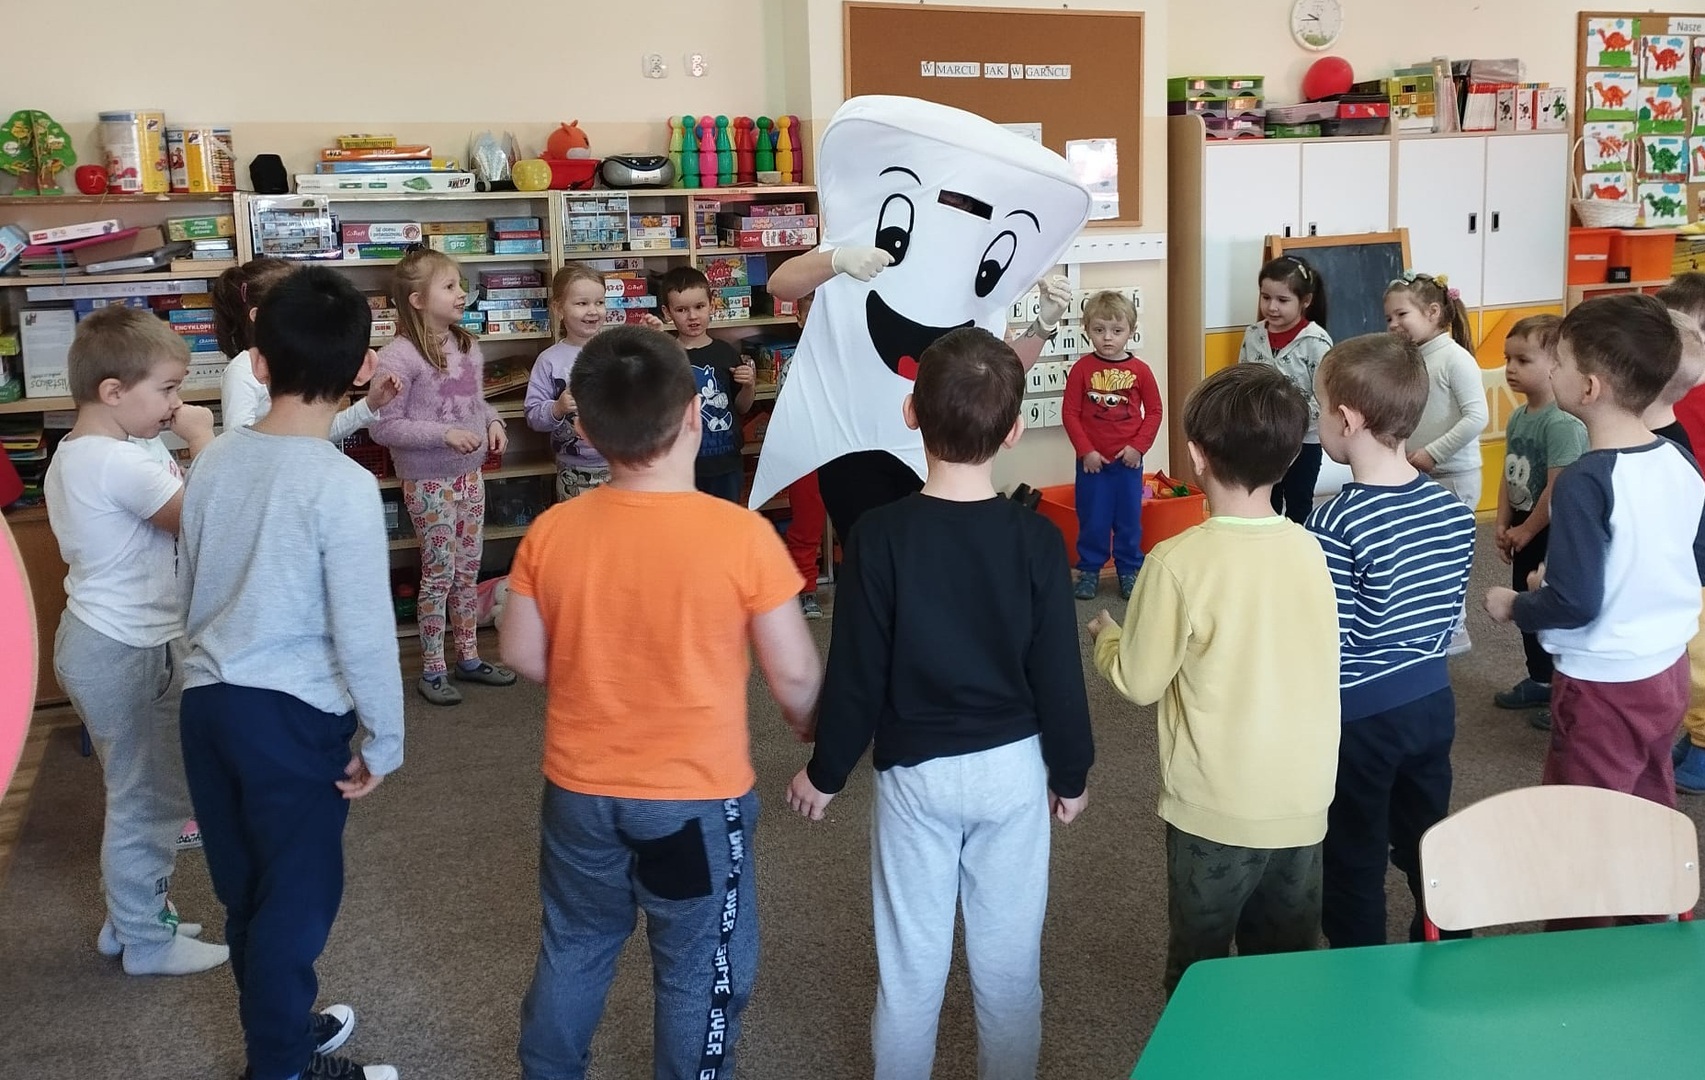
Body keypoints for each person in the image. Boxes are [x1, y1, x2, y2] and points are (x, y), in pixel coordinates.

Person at [499, 325, 822, 1080]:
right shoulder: (741, 534)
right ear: (692, 416)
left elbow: (520, 653)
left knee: (576, 942)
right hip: (692, 801)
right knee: (698, 963)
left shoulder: (551, 530)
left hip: (580, 793)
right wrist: (812, 728)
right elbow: (796, 676)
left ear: (585, 428)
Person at [786, 327, 1092, 1078]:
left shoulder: (877, 535)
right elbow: (1058, 671)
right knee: (1010, 971)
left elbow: (858, 669)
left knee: (910, 971)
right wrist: (1071, 771)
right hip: (1011, 772)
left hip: (914, 774)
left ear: (910, 414)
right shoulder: (1036, 540)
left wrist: (826, 772)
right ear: (1015, 430)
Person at [178, 266, 405, 1080]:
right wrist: (386, 737)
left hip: (207, 706)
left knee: (248, 892)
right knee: (297, 902)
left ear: (259, 362)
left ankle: (281, 1033)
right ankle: (279, 1066)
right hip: (290, 718)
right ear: (360, 370)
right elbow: (365, 628)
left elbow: (189, 582)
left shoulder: (212, 459)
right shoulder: (343, 484)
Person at [1087, 363, 1338, 994]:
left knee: (1199, 974)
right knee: (1284, 973)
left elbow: (1140, 681)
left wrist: (1107, 637)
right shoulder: (1311, 549)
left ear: (1196, 456)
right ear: (1289, 459)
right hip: (1303, 803)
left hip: (1214, 812)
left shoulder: (1176, 561)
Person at [42, 306, 228, 976]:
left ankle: (130, 922)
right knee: (147, 801)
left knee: (143, 792)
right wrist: (204, 439)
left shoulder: (107, 448)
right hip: (123, 648)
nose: (178, 404)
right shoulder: (112, 462)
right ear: (113, 392)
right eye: (168, 389)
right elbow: (207, 519)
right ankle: (147, 942)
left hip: (120, 641)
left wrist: (174, 434)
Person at [1486, 295, 1705, 819]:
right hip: (1668, 669)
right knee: (1648, 792)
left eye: (1559, 362)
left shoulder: (1585, 480)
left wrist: (1518, 604)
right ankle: (1652, 876)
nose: (1550, 370)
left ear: (1588, 388)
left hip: (1604, 682)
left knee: (1588, 814)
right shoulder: (1678, 456)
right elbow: (1692, 558)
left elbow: (1575, 604)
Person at [1306, 333, 1476, 947]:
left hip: (1362, 718)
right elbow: (1447, 620)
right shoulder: (1453, 509)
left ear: (1347, 419)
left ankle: (1361, 977)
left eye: (1319, 408)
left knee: (1352, 857)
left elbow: (1332, 639)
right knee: (1427, 839)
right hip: (1433, 704)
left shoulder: (1333, 520)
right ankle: (1446, 949)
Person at [765, 249, 1073, 542]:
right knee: (870, 552)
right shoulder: (863, 230)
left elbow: (999, 368)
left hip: (938, 449)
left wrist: (1043, 325)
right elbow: (779, 284)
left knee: (937, 553)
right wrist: (837, 258)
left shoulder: (977, 255)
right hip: (854, 445)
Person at [370, 249, 516, 706]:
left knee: (468, 570)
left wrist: (494, 421)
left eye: (460, 285)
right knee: (439, 573)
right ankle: (433, 668)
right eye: (449, 286)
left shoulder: (465, 344)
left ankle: (468, 657)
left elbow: (475, 400)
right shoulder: (397, 358)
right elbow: (383, 427)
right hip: (428, 482)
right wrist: (444, 434)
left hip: (470, 478)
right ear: (417, 300)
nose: (461, 294)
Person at [1491, 315, 1587, 731]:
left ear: (1555, 364)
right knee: (1526, 606)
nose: (1511, 369)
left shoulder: (1561, 422)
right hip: (1524, 527)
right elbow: (1508, 471)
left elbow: (1558, 486)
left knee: (1550, 611)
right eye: (1507, 359)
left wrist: (1527, 530)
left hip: (1552, 532)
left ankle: (1566, 693)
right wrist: (1503, 521)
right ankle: (1541, 679)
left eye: (1523, 360)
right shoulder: (1518, 417)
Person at [1384, 271, 1487, 655]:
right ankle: (1433, 626)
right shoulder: (1413, 359)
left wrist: (1433, 453)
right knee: (1423, 555)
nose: (1393, 324)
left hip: (1454, 475)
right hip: (1422, 473)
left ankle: (1455, 631)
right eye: (1388, 318)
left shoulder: (1455, 359)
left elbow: (1477, 417)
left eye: (1401, 315)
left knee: (1448, 556)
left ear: (1432, 312)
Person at [215, 257, 399, 437]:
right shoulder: (242, 370)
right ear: (258, 316)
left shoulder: (299, 361)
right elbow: (237, 443)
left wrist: (369, 405)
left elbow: (317, 432)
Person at [1062, 289, 1162, 602]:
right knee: (1093, 519)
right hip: (1092, 464)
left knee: (1128, 520)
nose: (1107, 338)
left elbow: (1155, 411)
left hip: (1128, 464)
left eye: (1117, 331)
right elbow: (1070, 413)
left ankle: (1129, 570)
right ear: (1087, 330)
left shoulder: (1141, 371)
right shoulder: (1081, 369)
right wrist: (1086, 451)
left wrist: (1138, 448)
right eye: (1099, 330)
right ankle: (1089, 571)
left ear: (1131, 331)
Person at [1235, 256, 1333, 524]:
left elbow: (1325, 396)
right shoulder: (1253, 335)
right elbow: (1242, 380)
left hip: (1304, 441)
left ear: (1305, 301)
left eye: (1282, 300)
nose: (1272, 307)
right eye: (1265, 297)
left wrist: (1290, 422)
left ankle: (1297, 546)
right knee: (1265, 499)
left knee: (1299, 501)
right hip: (1262, 437)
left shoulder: (1316, 341)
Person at [658, 265, 756, 503]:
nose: (692, 316)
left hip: (725, 463)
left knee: (725, 522)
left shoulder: (725, 352)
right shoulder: (665, 355)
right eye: (681, 310)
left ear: (712, 305)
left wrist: (749, 385)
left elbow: (741, 407)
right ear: (667, 312)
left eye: (699, 307)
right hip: (680, 467)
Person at [524, 264, 614, 502]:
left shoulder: (618, 351)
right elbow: (533, 415)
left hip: (622, 466)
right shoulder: (549, 360)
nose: (593, 311)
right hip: (572, 470)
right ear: (558, 308)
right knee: (576, 526)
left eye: (600, 302)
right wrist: (557, 408)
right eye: (582, 303)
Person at [782, 292, 827, 619]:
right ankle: (805, 589)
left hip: (844, 453)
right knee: (806, 525)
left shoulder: (847, 360)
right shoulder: (792, 366)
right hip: (805, 456)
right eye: (810, 317)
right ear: (798, 319)